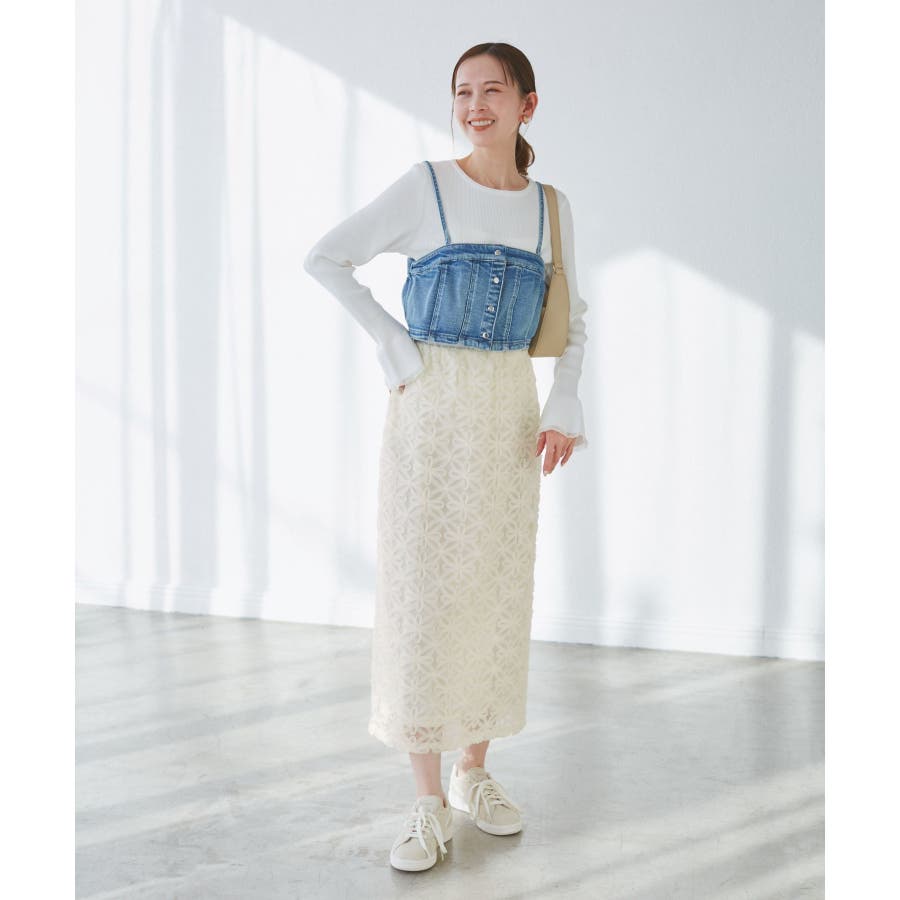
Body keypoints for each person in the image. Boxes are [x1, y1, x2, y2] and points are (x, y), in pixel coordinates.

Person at [303, 41, 589, 872]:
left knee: (492, 590)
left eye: (492, 91)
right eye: (463, 92)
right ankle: (426, 800)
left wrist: (564, 402)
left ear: (527, 104)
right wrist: (395, 347)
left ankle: (473, 774)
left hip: (508, 411)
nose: (475, 106)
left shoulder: (551, 208)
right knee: (423, 595)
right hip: (431, 412)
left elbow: (575, 318)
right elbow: (326, 257)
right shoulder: (425, 186)